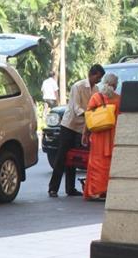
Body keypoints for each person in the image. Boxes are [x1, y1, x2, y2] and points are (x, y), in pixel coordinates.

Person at [48, 63, 105, 197]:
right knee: (62, 157)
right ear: (92, 74)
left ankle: (70, 188)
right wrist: (90, 114)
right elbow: (76, 108)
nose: (99, 80)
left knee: (73, 158)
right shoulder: (78, 86)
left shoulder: (96, 89)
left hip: (82, 127)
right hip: (70, 125)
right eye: (98, 77)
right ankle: (53, 188)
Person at [83, 72, 121, 201]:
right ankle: (107, 190)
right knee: (109, 164)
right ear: (115, 85)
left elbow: (88, 118)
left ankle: (95, 191)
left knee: (96, 164)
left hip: (98, 135)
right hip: (112, 135)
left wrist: (85, 133)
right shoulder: (118, 99)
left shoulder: (96, 97)